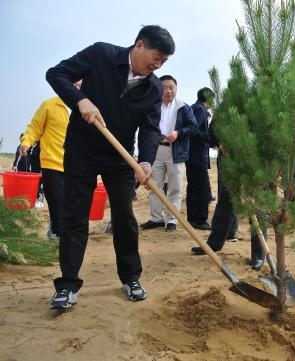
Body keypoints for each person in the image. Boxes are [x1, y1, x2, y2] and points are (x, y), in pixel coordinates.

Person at [46, 25, 175, 309]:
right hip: (81, 150)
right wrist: (80, 100)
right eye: (157, 57)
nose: (158, 65)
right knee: (75, 215)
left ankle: (131, 277)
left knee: (125, 217)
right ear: (139, 45)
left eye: (164, 62)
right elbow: (56, 73)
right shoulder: (102, 54)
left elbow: (150, 128)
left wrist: (144, 160)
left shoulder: (153, 87)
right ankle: (67, 284)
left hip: (120, 158)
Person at [190, 118, 264, 269]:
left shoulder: (266, 98)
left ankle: (258, 255)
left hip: (258, 161)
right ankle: (213, 244)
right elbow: (213, 129)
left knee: (258, 208)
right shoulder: (229, 101)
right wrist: (219, 143)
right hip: (230, 159)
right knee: (226, 202)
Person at [20, 83, 81, 239]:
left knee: (71, 201)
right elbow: (35, 127)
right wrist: (26, 142)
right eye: (74, 84)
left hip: (76, 164)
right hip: (51, 161)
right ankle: (57, 233)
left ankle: (57, 226)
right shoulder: (49, 105)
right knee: (56, 198)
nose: (77, 87)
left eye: (81, 84)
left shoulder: (85, 108)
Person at [140, 75, 197, 232]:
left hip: (176, 151)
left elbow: (193, 128)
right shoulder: (153, 106)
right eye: (164, 87)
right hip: (156, 150)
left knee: (175, 187)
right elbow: (145, 127)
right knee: (154, 185)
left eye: (171, 87)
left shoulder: (184, 107)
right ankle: (156, 218)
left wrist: (178, 133)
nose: (168, 91)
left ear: (176, 88)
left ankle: (172, 220)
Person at [186, 87, 213, 230]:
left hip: (192, 155)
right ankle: (200, 219)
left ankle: (192, 218)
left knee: (193, 187)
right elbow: (194, 130)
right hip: (196, 155)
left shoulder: (194, 108)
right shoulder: (199, 110)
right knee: (202, 188)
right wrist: (210, 139)